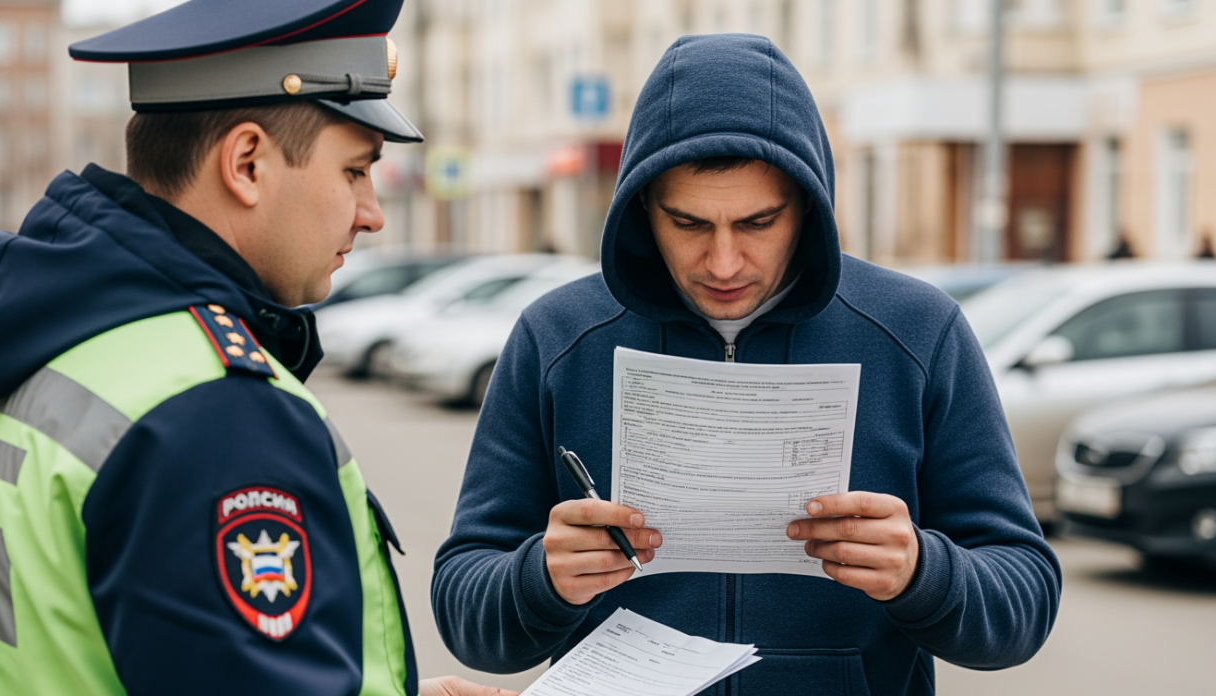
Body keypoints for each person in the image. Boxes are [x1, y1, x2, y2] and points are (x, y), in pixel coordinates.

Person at [433, 34, 1059, 695]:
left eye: (758, 222)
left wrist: (923, 572)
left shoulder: (918, 332)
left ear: (808, 206)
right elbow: (464, 603)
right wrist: (539, 580)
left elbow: (1024, 600)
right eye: (690, 224)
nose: (724, 263)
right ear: (643, 207)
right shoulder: (558, 337)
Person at [0, 1, 512, 695]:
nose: (372, 212)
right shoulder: (211, 411)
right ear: (246, 163)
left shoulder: (49, 335)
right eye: (356, 171)